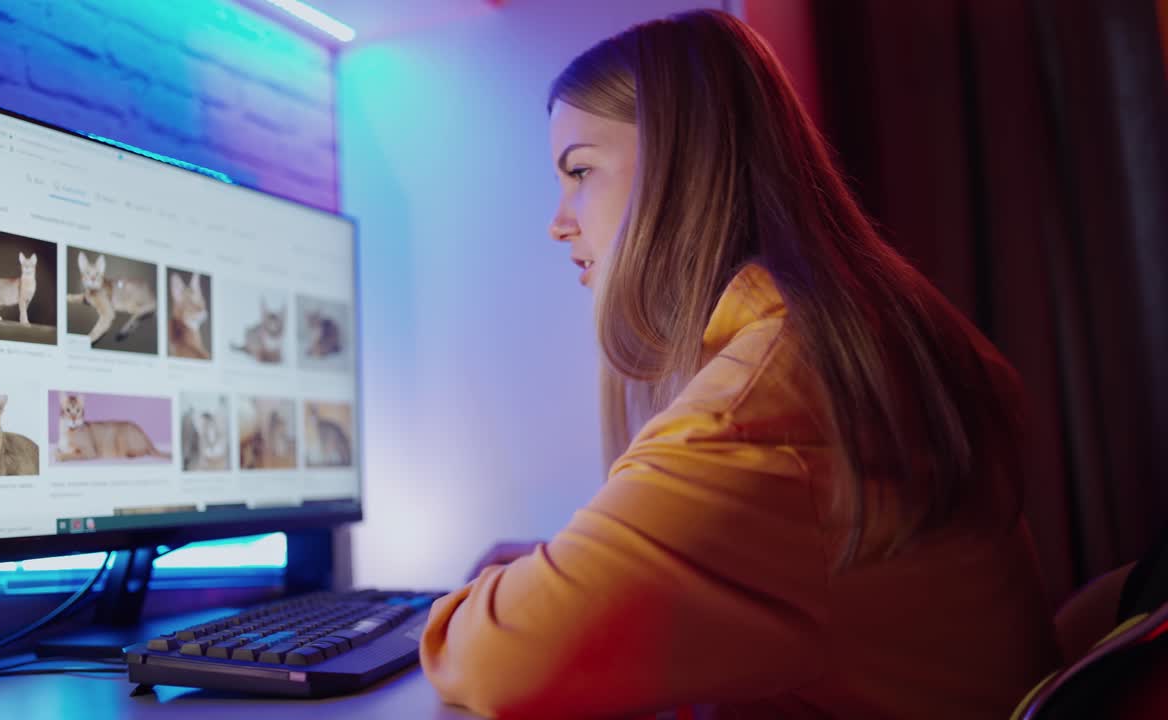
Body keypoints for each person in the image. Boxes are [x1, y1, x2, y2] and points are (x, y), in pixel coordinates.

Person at [419, 9, 1060, 719]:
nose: (558, 219)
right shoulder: (833, 346)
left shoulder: (762, 407)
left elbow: (493, 659)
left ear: (681, 163)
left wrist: (466, 601)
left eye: (580, 171)